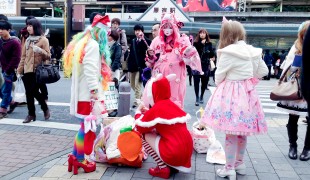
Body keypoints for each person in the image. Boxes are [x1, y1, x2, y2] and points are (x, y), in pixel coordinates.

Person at [200, 19, 268, 179]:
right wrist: (248, 77)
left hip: (231, 94)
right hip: (248, 94)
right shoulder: (253, 51)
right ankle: (240, 164)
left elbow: (218, 77)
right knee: (242, 131)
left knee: (231, 133)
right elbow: (263, 71)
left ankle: (229, 168)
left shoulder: (227, 52)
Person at [63, 14, 111, 174]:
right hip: (88, 96)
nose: (107, 35)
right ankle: (80, 159)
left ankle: (75, 157)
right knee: (87, 128)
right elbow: (91, 71)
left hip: (83, 94)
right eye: (106, 31)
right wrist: (96, 94)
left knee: (84, 127)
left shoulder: (84, 43)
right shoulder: (93, 45)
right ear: (100, 31)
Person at [135, 74, 193, 179]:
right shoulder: (172, 104)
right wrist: (148, 112)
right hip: (186, 151)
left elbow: (140, 126)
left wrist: (138, 112)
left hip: (174, 152)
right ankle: (172, 166)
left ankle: (162, 168)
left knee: (143, 135)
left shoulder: (157, 107)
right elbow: (163, 118)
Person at [144, 13, 203, 109]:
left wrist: (189, 53)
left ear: (174, 27)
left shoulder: (182, 40)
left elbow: (189, 59)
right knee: (158, 103)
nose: (167, 30)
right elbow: (150, 62)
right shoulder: (156, 41)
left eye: (170, 27)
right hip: (160, 77)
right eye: (164, 27)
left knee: (174, 105)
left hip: (176, 78)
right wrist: (150, 56)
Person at [277, 21, 310, 161]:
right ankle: (293, 145)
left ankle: (307, 149)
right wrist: (296, 65)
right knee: (293, 118)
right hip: (296, 86)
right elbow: (286, 67)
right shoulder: (296, 45)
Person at [17, 18, 51, 123]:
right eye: (27, 26)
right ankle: (31, 114)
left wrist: (40, 50)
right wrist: (19, 71)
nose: (28, 28)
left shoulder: (43, 40)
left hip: (38, 71)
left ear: (35, 27)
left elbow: (48, 56)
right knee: (29, 93)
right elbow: (23, 57)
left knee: (34, 92)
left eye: (30, 26)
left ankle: (44, 108)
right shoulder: (27, 40)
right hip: (27, 71)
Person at [0, 21, 21, 118]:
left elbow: (16, 58)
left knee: (6, 90)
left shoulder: (14, 42)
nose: (0, 31)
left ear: (8, 30)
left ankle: (3, 110)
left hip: (9, 70)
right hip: (1, 68)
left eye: (2, 29)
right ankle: (11, 102)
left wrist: (8, 70)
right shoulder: (0, 41)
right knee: (2, 90)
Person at [127, 24, 151, 108]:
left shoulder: (147, 41)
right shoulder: (133, 41)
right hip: (133, 66)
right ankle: (141, 96)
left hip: (141, 67)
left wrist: (143, 40)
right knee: (132, 85)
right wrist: (128, 67)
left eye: (139, 30)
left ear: (142, 31)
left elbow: (148, 52)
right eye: (136, 30)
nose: (137, 32)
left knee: (137, 85)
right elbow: (131, 55)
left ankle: (137, 101)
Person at [193, 28, 214, 106]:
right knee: (196, 81)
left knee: (204, 82)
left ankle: (202, 95)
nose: (202, 34)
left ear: (206, 34)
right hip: (196, 65)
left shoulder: (209, 44)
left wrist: (211, 52)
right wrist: (201, 44)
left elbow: (212, 54)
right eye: (201, 33)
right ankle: (197, 98)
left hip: (205, 65)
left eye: (204, 33)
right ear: (199, 34)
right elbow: (194, 52)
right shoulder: (195, 43)